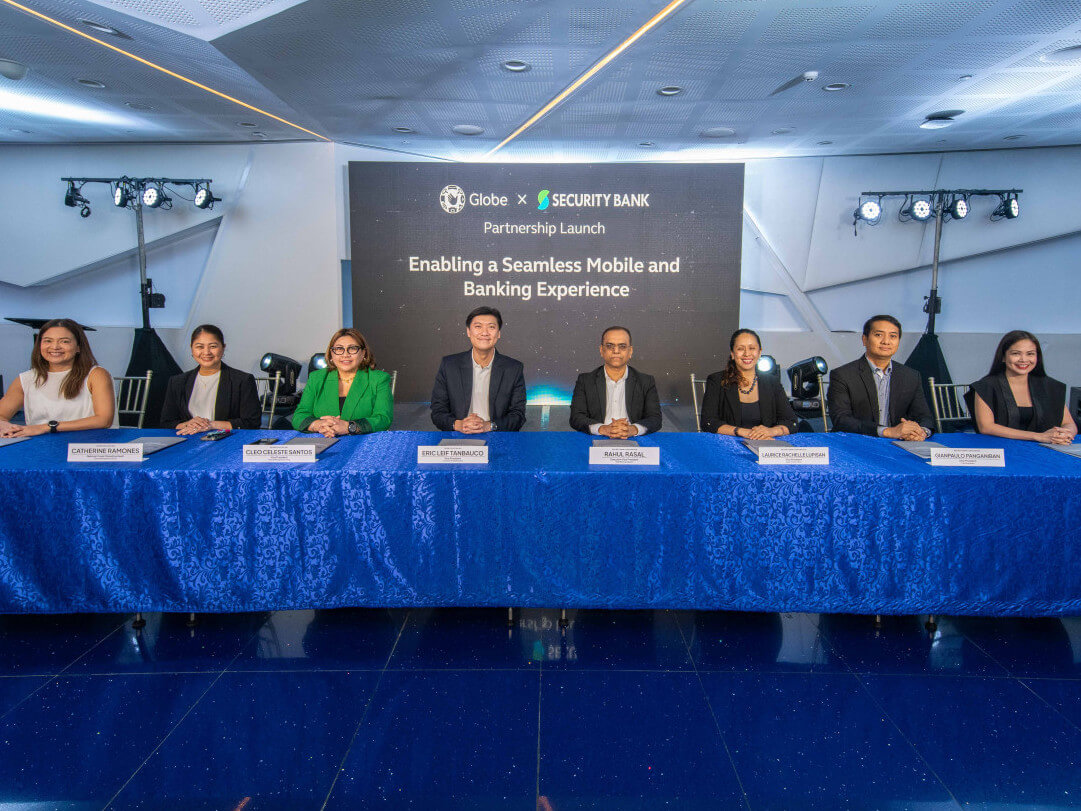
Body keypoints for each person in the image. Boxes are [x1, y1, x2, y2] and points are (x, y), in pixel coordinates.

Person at [0, 318, 115, 437]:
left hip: (87, 446)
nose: (54, 347)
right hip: (39, 446)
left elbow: (104, 420)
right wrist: (6, 426)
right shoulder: (25, 379)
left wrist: (46, 427)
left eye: (64, 341)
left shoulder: (96, 375)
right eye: (48, 341)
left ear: (78, 347)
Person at [827, 314, 933, 439]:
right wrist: (887, 431)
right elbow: (841, 420)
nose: (886, 341)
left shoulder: (911, 376)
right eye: (878, 335)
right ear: (864, 339)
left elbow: (925, 417)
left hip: (898, 445)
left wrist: (921, 432)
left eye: (893, 336)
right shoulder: (842, 375)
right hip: (856, 443)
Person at [967, 330, 1076, 444]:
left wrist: (1065, 433)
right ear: (1003, 357)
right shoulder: (985, 386)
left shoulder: (1050, 386)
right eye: (1016, 353)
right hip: (1000, 448)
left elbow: (1068, 423)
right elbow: (986, 427)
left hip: (1045, 450)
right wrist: (1039, 436)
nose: (1023, 359)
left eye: (1030, 354)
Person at [430, 306, 527, 432]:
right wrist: (459, 425)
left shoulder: (513, 368)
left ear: (498, 334)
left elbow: (518, 416)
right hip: (458, 437)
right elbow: (438, 411)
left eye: (491, 327)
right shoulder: (449, 365)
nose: (484, 333)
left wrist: (489, 426)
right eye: (478, 326)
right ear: (468, 332)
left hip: (497, 436)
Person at [160, 324, 262, 434]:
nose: (206, 352)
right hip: (187, 441)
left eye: (213, 346)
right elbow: (166, 423)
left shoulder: (242, 380)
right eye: (200, 346)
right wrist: (188, 424)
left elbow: (252, 422)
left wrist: (211, 425)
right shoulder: (177, 382)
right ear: (192, 348)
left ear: (223, 348)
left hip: (226, 442)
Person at [292, 328, 393, 436]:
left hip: (362, 443)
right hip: (323, 441)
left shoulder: (379, 379)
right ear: (331, 354)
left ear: (363, 353)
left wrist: (350, 427)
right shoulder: (316, 378)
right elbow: (299, 416)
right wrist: (318, 424)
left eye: (352, 348)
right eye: (339, 349)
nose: (345, 355)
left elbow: (383, 419)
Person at [700, 328, 796, 437]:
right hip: (729, 446)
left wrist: (771, 431)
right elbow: (708, 422)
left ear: (759, 352)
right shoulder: (716, 380)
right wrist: (741, 432)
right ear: (732, 353)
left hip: (765, 444)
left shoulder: (772, 382)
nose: (747, 354)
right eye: (740, 349)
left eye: (752, 348)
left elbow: (791, 422)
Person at [569, 326, 662, 437]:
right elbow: (576, 418)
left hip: (633, 441)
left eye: (622, 346)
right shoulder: (585, 381)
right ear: (601, 350)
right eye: (610, 346)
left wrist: (633, 429)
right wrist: (602, 429)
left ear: (630, 351)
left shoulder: (646, 381)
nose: (616, 351)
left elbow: (655, 419)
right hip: (598, 439)